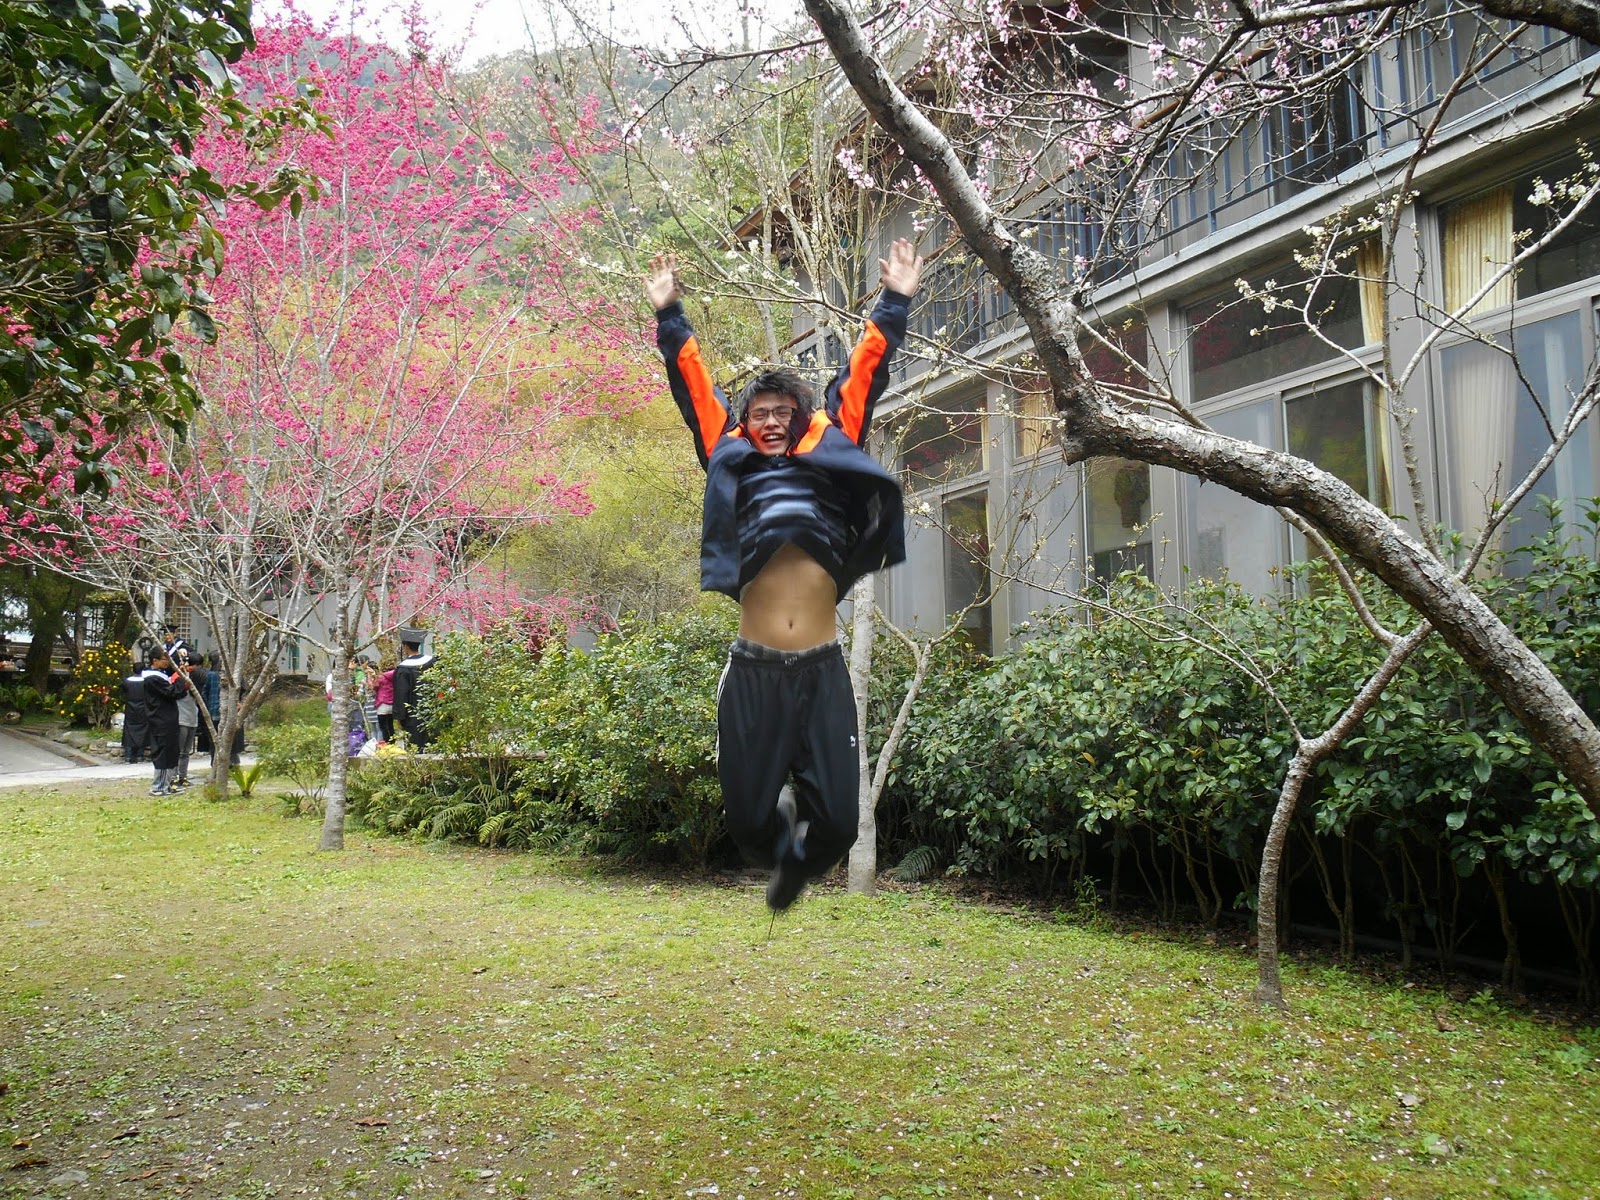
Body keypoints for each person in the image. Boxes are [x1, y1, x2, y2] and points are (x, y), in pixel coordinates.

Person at [646, 238, 922, 912]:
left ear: (800, 416)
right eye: (759, 413)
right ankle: (780, 842)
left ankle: (800, 858)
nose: (770, 422)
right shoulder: (730, 454)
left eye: (781, 412)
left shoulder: (831, 445)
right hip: (755, 668)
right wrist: (670, 314)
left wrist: (895, 300)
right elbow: (693, 387)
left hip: (822, 668)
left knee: (840, 824)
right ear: (746, 422)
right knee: (747, 826)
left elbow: (866, 372)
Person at [142, 648, 183, 796]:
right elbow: (172, 692)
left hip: (168, 719)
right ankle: (158, 787)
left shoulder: (161, 675)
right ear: (155, 661)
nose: (167, 662)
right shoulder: (152, 678)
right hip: (161, 720)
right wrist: (180, 678)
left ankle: (167, 784)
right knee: (163, 753)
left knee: (171, 751)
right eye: (164, 659)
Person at [391, 628, 435, 750]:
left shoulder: (403, 669)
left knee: (416, 747)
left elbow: (401, 694)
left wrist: (399, 716)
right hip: (433, 713)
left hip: (413, 717)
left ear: (405, 647)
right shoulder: (432, 662)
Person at [172, 651, 199, 788]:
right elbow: (175, 692)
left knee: (186, 752)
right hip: (181, 719)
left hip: (193, 718)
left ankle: (183, 776)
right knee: (178, 750)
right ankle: (173, 777)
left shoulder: (196, 678)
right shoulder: (176, 678)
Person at [120, 655, 149, 764]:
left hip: (130, 708)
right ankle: (140, 756)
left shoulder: (126, 682)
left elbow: (123, 692)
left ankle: (128, 756)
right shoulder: (146, 682)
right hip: (143, 708)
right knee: (143, 730)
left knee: (129, 730)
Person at [373, 652, 397, 743]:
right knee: (390, 726)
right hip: (393, 702)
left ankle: (387, 744)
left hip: (382, 703)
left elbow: (374, 687)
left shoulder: (381, 677)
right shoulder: (396, 675)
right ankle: (393, 743)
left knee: (383, 726)